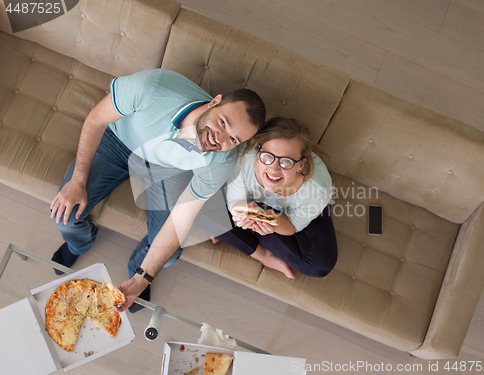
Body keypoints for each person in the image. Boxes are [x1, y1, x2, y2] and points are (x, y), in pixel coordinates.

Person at [49, 69, 266, 312]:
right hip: (119, 141)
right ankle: (79, 244)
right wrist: (78, 181)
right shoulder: (153, 88)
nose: (219, 139)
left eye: (233, 139)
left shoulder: (222, 160)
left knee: (169, 255)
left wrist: (143, 278)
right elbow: (96, 119)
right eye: (223, 122)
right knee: (65, 216)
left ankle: (136, 270)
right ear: (214, 102)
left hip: (166, 169)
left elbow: (181, 218)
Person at [212, 117, 337, 278]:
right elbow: (235, 203)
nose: (274, 169)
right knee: (195, 206)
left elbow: (292, 225)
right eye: (268, 156)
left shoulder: (318, 190)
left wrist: (272, 223)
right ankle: (261, 253)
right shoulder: (245, 159)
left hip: (290, 215)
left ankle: (239, 232)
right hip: (255, 205)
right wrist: (248, 213)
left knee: (319, 266)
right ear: (258, 152)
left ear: (300, 165)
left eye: (286, 162)